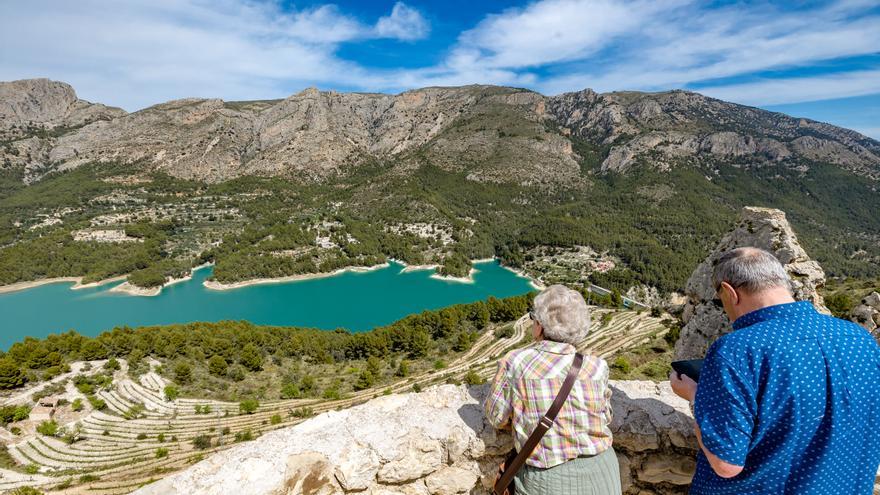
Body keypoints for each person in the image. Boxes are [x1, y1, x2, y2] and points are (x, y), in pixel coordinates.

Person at [670, 247, 880, 494]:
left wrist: (696, 396)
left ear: (730, 292)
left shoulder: (737, 350)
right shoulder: (859, 338)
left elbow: (726, 464)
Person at [484, 284, 621, 495]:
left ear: (539, 326)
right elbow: (606, 416)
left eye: (533, 318)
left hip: (549, 478)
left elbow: (496, 417)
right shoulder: (597, 366)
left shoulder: (516, 362)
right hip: (604, 470)